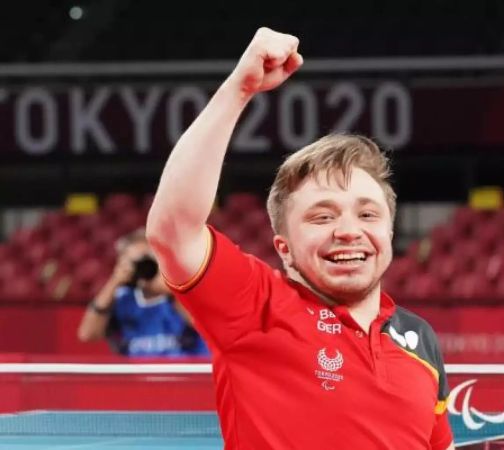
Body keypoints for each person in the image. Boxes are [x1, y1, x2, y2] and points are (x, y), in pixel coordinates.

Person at [146, 28, 454, 450]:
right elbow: (173, 231)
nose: (348, 230)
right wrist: (240, 88)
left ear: (389, 231)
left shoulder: (420, 338)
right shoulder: (255, 307)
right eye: (322, 216)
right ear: (284, 249)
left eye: (367, 213)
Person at [77, 229, 209, 357]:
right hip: (137, 376)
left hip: (184, 374)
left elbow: (208, 328)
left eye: (150, 259)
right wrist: (114, 282)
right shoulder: (121, 298)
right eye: (137, 262)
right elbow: (88, 334)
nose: (144, 266)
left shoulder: (185, 291)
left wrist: (172, 290)